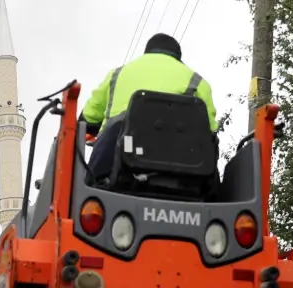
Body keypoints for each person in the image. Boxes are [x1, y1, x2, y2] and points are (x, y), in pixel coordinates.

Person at [81, 32, 218, 183]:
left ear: (147, 53)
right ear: (178, 58)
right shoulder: (198, 82)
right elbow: (210, 131)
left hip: (116, 163)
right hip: (183, 174)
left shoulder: (117, 74)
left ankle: (95, 184)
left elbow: (87, 119)